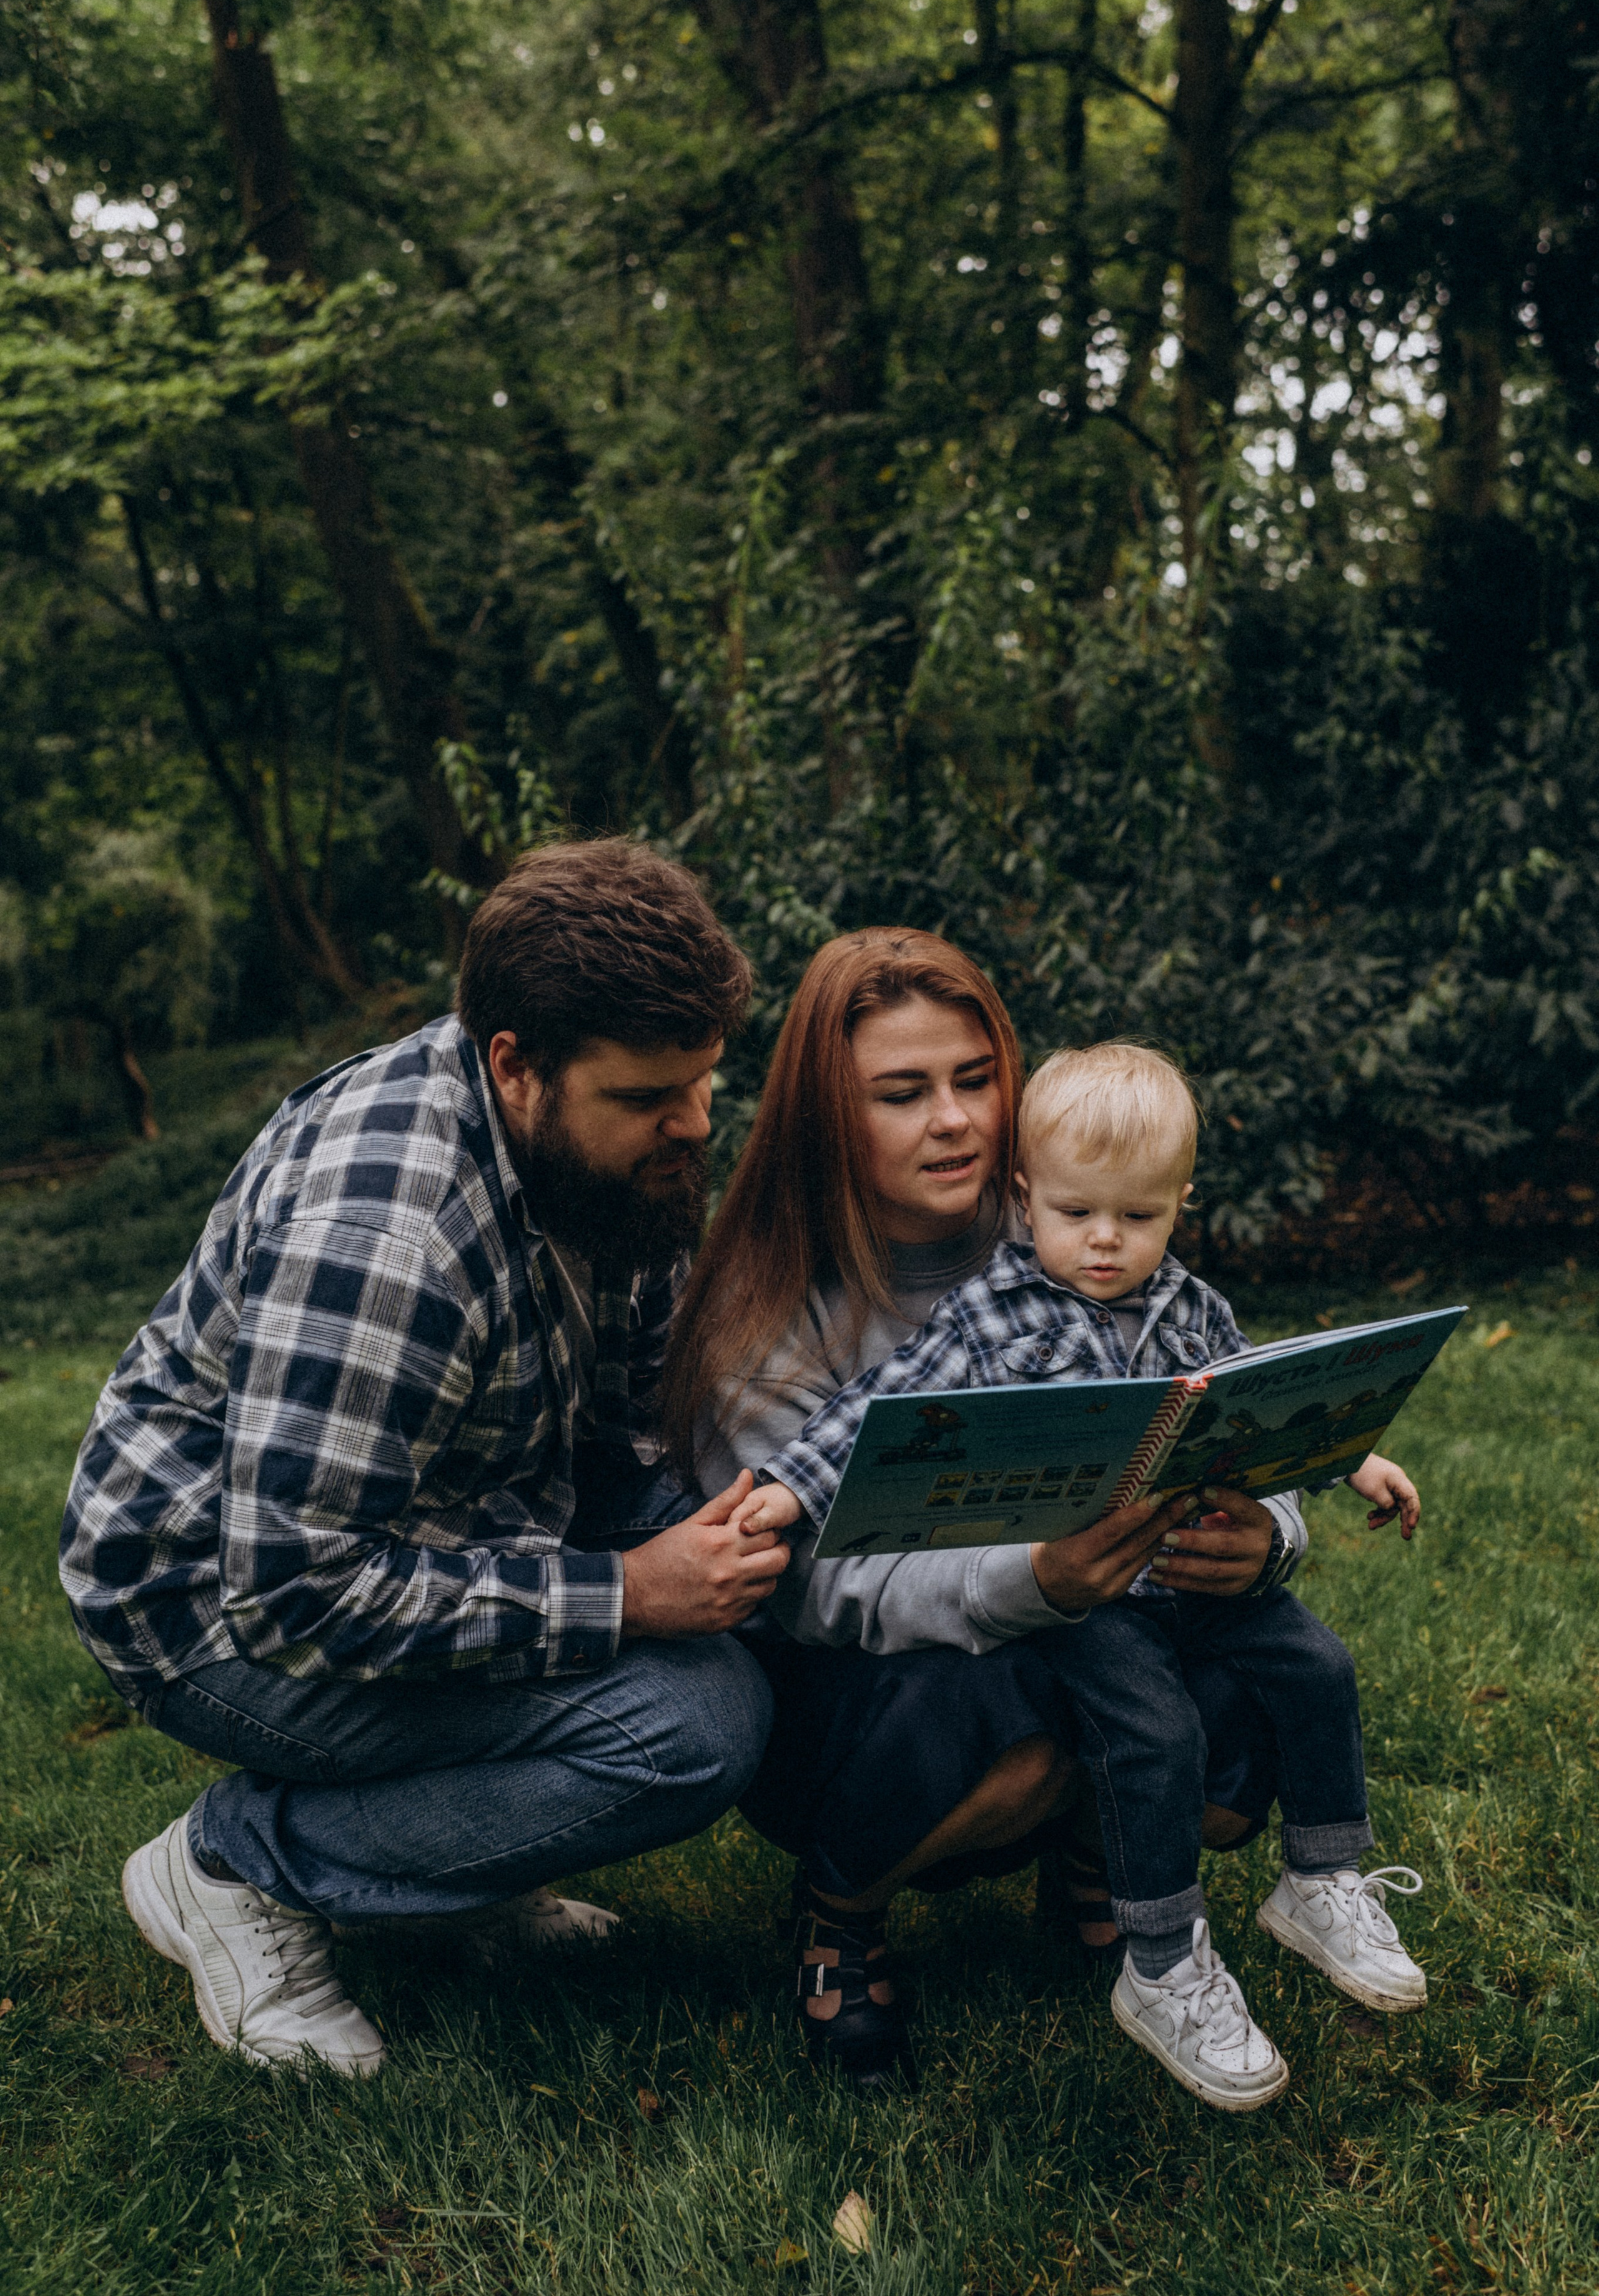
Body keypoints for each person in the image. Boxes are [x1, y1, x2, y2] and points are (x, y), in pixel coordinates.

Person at [59, 841, 788, 2077]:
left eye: (705, 1081)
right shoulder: (388, 1226)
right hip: (209, 1605)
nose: (695, 1122)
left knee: (766, 1600)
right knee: (689, 1725)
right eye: (648, 1098)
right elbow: (296, 1589)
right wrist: (630, 1593)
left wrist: (760, 1506)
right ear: (516, 1065)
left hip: (457, 1521)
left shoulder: (605, 1155)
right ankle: (236, 1867)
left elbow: (631, 1424)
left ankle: (456, 1881)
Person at [742, 1041, 1427, 2112]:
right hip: (1085, 1603)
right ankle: (1161, 1962)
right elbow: (875, 1418)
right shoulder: (987, 1314)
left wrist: (1351, 1458)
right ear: (1026, 1199)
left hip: (1187, 1581)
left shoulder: (1188, 1307)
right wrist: (790, 1488)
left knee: (1316, 1662)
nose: (1106, 1243)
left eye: (1138, 1217)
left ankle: (1324, 1879)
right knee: (1154, 1729)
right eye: (1076, 1214)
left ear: (1179, 1207)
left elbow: (1264, 1401)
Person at [663, 935, 1292, 2089]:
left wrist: (1257, 1540)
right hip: (862, 1686)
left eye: (974, 1079)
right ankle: (841, 1914)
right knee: (1016, 1694)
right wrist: (1032, 1584)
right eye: (902, 1094)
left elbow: (1217, 1420)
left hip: (1100, 1623)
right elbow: (805, 1589)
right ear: (826, 1118)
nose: (953, 1119)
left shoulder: (1071, 1236)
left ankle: (1097, 1862)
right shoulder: (764, 1323)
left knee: (1250, 1698)